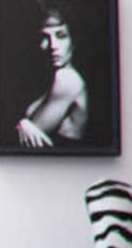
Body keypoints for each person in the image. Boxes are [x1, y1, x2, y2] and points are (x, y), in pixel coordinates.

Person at [14, 9, 91, 150]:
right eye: (45, 37)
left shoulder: (67, 79)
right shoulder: (51, 77)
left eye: (61, 36)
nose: (53, 46)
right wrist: (23, 124)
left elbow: (23, 145)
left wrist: (24, 123)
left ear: (73, 41)